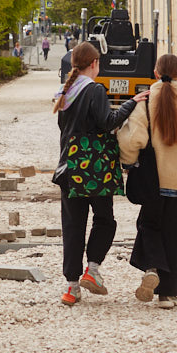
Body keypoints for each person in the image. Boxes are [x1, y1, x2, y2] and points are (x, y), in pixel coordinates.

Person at [53, 42, 148, 306]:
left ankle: (71, 288)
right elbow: (108, 122)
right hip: (96, 169)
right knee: (105, 220)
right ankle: (92, 270)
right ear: (94, 64)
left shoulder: (65, 90)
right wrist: (131, 104)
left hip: (69, 167)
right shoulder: (94, 89)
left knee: (73, 226)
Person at [117, 54, 177, 309]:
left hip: (152, 182)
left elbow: (130, 140)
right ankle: (167, 295)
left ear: (155, 73)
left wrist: (129, 163)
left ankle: (151, 267)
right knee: (175, 236)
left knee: (148, 227)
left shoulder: (146, 102)